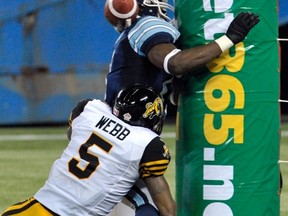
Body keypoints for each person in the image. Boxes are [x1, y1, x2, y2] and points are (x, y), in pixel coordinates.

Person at [104, 0, 260, 215]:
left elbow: (172, 84)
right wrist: (228, 39)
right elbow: (175, 62)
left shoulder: (133, 33)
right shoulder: (147, 24)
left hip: (118, 137)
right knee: (149, 208)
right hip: (128, 141)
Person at [1, 84, 176, 216]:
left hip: (40, 206)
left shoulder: (90, 109)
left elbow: (72, 135)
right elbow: (167, 209)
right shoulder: (148, 144)